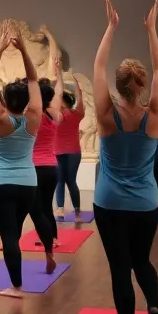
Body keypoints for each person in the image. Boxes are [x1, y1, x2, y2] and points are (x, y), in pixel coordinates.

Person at [92, 0, 158, 314]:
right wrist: (151, 31)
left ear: (120, 86)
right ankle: (153, 305)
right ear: (141, 86)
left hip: (109, 204)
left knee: (120, 268)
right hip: (143, 204)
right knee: (141, 261)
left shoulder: (108, 116)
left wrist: (110, 27)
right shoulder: (155, 117)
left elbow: (98, 66)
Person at [0, 22, 55, 297]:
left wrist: (0, 49)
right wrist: (25, 51)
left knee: (9, 236)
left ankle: (16, 286)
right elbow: (35, 80)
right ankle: (48, 253)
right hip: (28, 184)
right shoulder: (34, 118)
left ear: (4, 99)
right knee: (18, 230)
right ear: (27, 100)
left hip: (1, 185)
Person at [31, 71, 64, 245]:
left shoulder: (32, 116)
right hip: (52, 167)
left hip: (36, 168)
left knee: (38, 207)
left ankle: (46, 237)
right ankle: (52, 238)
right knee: (47, 205)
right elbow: (58, 93)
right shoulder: (54, 114)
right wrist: (59, 77)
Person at [54, 70, 88, 222]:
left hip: (69, 152)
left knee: (67, 181)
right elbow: (60, 94)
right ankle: (67, 210)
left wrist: (75, 85)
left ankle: (72, 210)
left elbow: (78, 100)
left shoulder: (70, 114)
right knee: (64, 181)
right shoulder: (63, 114)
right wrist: (76, 85)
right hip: (65, 152)